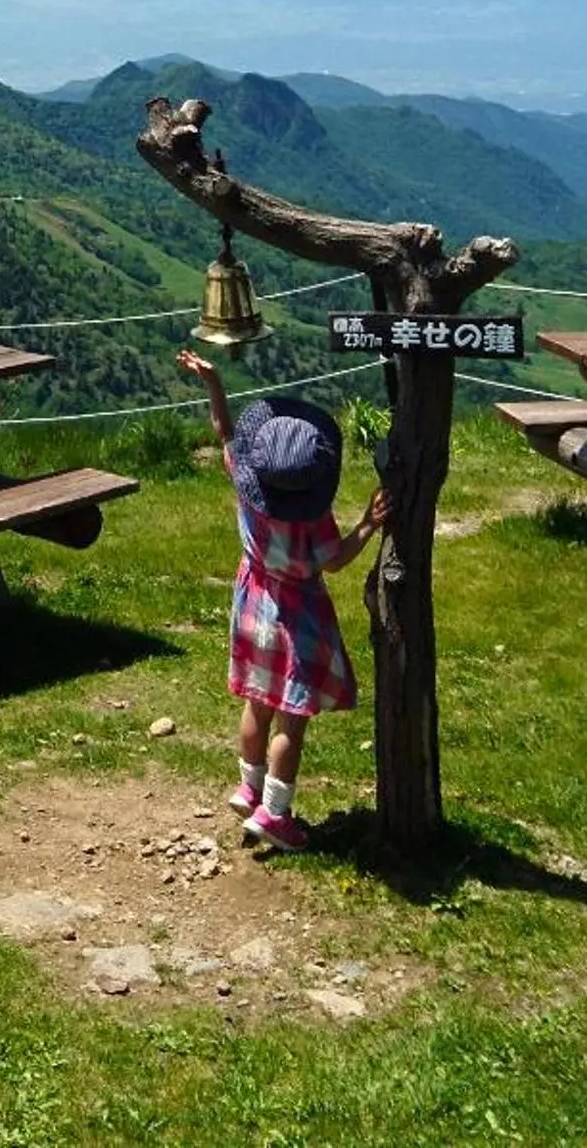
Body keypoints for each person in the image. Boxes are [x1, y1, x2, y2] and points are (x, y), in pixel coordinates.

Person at [177, 347, 386, 851]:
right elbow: (334, 559)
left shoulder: (247, 490)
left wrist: (215, 385)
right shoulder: (313, 520)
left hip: (253, 604)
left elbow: (225, 433)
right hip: (298, 615)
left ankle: (248, 787)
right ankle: (274, 813)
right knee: (291, 719)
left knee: (256, 703)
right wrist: (368, 524)